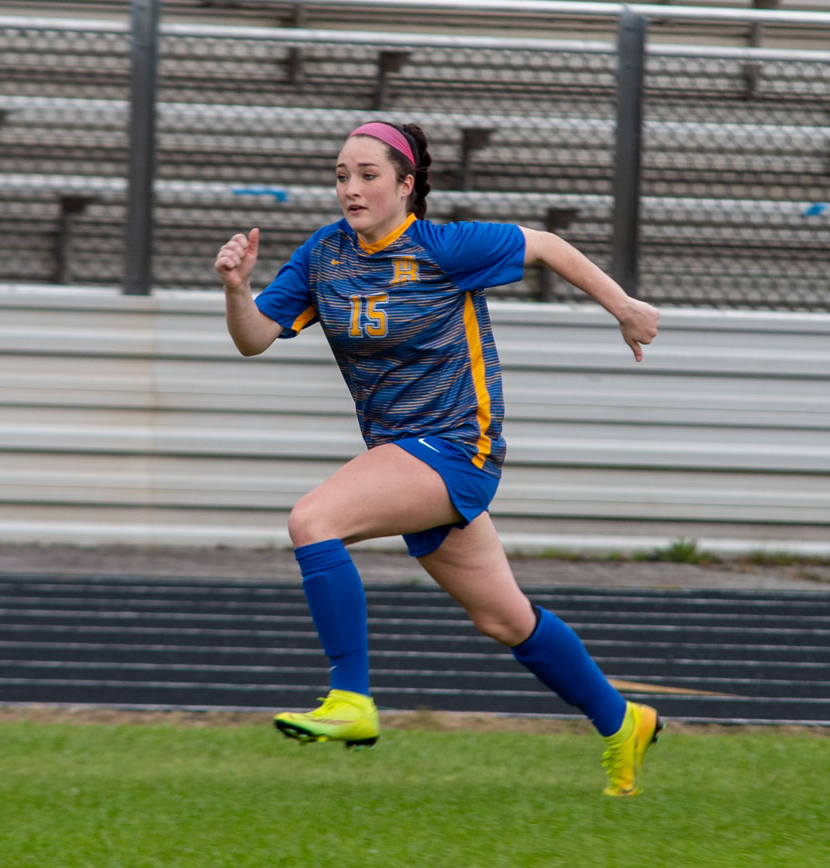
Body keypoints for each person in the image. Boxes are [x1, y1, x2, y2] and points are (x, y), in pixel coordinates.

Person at [213, 120, 663, 797]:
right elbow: (254, 339)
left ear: (406, 185)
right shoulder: (323, 255)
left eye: (368, 175)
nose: (351, 187)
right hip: (403, 457)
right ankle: (622, 721)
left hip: (456, 446)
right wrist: (236, 289)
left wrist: (622, 306)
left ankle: (351, 699)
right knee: (504, 618)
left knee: (313, 520)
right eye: (341, 175)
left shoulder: (443, 246)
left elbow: (545, 244)